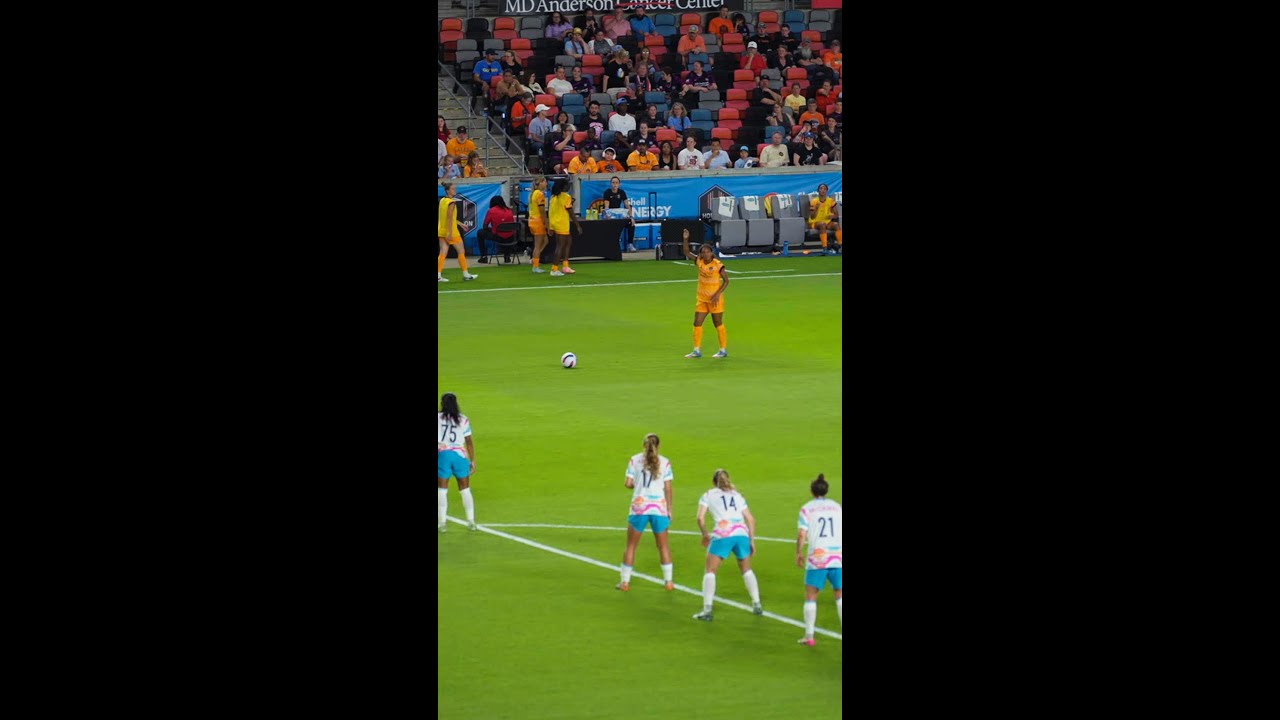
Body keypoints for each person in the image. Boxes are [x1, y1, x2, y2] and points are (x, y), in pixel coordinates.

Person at [691, 469, 763, 620]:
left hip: (723, 534)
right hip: (741, 534)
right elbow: (751, 519)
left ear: (714, 482)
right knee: (746, 570)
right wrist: (751, 541)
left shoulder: (708, 494)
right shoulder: (737, 495)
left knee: (710, 571)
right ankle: (757, 605)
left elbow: (700, 518)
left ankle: (707, 611)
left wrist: (705, 534)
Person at [617, 433, 676, 592]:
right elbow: (668, 488)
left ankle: (625, 583)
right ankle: (669, 582)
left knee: (631, 546)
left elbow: (628, 483)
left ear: (644, 445)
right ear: (659, 445)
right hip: (659, 508)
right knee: (663, 547)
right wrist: (669, 509)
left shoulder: (634, 460)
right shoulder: (665, 462)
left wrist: (638, 486)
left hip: (640, 507)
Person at [795, 473, 842, 646]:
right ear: (826, 490)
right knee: (840, 595)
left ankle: (809, 636)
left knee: (811, 596)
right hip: (837, 556)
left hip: (818, 558)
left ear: (812, 491)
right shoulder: (837, 507)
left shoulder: (807, 509)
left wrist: (799, 552)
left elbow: (802, 534)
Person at [681, 228, 728, 358]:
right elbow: (686, 252)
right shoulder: (699, 261)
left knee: (717, 323)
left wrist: (717, 294)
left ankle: (723, 350)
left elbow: (726, 281)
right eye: (703, 252)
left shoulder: (718, 265)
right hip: (702, 299)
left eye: (707, 252)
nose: (706, 254)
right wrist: (685, 239)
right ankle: (696, 350)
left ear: (711, 253)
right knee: (697, 323)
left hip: (715, 300)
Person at [437, 392, 478, 532]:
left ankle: (442, 523)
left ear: (442, 403)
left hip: (443, 456)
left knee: (442, 491)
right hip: (460, 456)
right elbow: (469, 441)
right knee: (465, 490)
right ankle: (471, 521)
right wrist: (472, 460)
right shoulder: (463, 419)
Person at [438, 182, 477, 283]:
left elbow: (448, 217)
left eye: (455, 188)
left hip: (441, 230)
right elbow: (449, 219)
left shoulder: (442, 200)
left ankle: (438, 275)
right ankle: (466, 274)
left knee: (442, 252)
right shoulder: (451, 202)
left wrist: (461, 224)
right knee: (461, 251)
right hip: (452, 232)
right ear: (447, 191)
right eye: (452, 189)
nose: (454, 190)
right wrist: (449, 233)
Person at [547, 177, 582, 276]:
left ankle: (565, 266)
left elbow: (551, 211)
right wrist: (577, 225)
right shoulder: (566, 197)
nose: (569, 186)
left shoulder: (553, 197)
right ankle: (554, 269)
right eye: (567, 185)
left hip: (555, 223)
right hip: (562, 223)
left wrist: (550, 226)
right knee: (560, 246)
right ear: (564, 187)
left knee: (568, 242)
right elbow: (571, 212)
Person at [603, 174, 636, 252]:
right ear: (611, 184)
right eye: (613, 182)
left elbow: (627, 205)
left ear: (619, 184)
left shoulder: (622, 192)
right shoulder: (607, 192)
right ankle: (610, 246)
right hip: (610, 216)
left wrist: (631, 217)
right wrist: (608, 215)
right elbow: (606, 206)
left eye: (616, 183)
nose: (615, 184)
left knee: (631, 223)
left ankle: (630, 244)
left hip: (619, 215)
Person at [477, 196, 515, 263]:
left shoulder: (491, 211)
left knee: (480, 232)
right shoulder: (509, 211)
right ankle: (507, 256)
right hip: (510, 237)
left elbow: (485, 226)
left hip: (498, 236)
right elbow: (512, 225)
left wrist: (492, 229)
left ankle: (484, 256)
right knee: (509, 234)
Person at [809, 183, 840, 254]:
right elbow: (812, 217)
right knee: (822, 224)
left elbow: (836, 215)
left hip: (827, 222)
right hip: (814, 223)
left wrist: (832, 216)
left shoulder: (831, 201)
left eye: (824, 189)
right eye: (821, 188)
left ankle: (840, 246)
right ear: (818, 190)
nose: (823, 190)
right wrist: (816, 209)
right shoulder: (814, 201)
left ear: (827, 191)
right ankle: (825, 248)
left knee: (836, 224)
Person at [528, 176, 550, 274]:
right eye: (545, 182)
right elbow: (542, 211)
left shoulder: (533, 194)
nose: (546, 184)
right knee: (537, 245)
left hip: (532, 220)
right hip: (538, 221)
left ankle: (534, 259)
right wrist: (546, 223)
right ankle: (535, 265)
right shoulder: (540, 194)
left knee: (545, 241)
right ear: (540, 183)